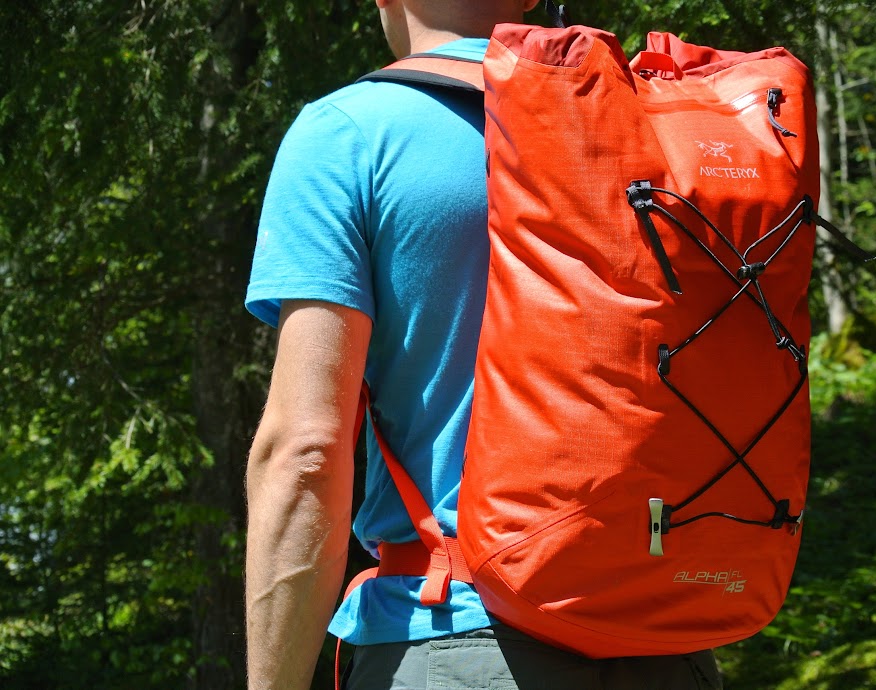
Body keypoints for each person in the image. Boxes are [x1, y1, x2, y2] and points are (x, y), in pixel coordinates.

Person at [244, 1, 723, 688]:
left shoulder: (351, 132)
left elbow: (306, 450)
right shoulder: (646, 124)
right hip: (666, 637)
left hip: (456, 636)